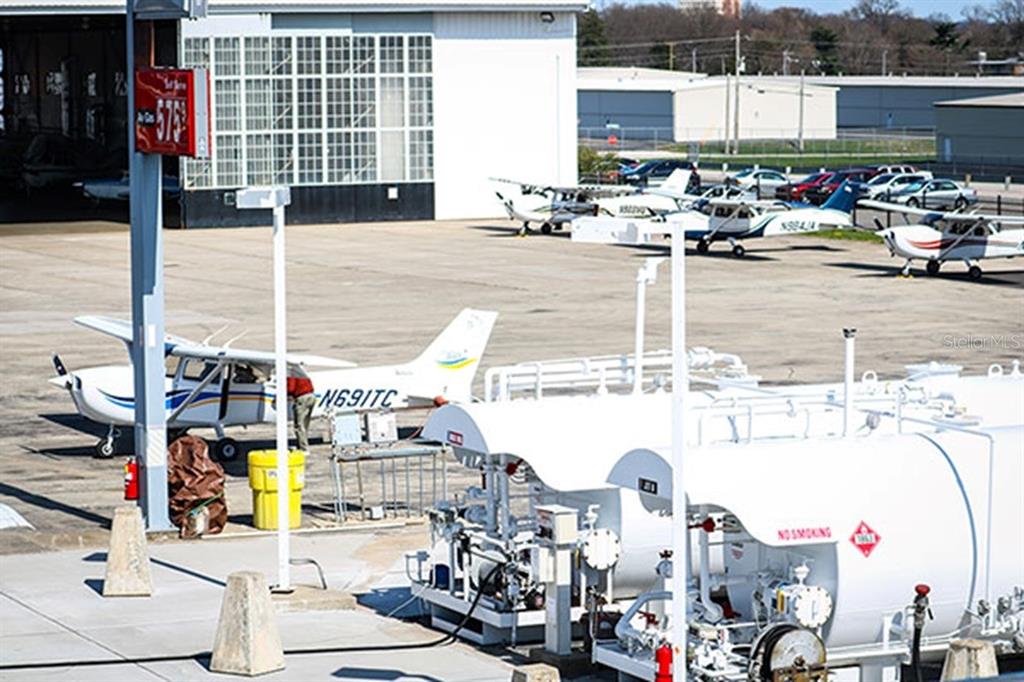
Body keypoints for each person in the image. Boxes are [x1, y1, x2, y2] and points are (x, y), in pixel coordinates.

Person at [286, 371, 317, 452]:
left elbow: (291, 388)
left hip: (302, 398)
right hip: (311, 396)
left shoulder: (291, 374)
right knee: (305, 424)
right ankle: (302, 444)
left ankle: (304, 449)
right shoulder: (302, 373)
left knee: (299, 425)